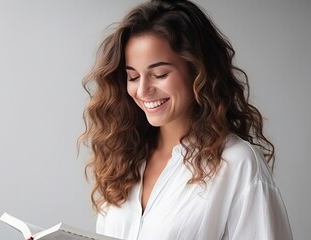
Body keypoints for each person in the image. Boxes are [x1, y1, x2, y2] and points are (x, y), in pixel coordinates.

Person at [79, 0, 293, 239]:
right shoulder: (123, 160)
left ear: (197, 71)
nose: (142, 90)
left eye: (159, 74)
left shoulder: (237, 164)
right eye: (133, 76)